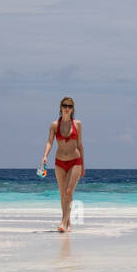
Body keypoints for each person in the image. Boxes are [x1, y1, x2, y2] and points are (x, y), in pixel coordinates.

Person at [42, 96, 84, 232]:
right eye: (65, 106)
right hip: (59, 162)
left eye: (70, 106)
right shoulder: (54, 125)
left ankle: (62, 222)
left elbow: (80, 145)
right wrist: (45, 156)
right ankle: (68, 224)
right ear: (60, 108)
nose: (67, 108)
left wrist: (83, 164)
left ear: (73, 109)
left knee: (68, 192)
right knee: (63, 195)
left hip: (75, 162)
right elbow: (49, 142)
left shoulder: (77, 124)